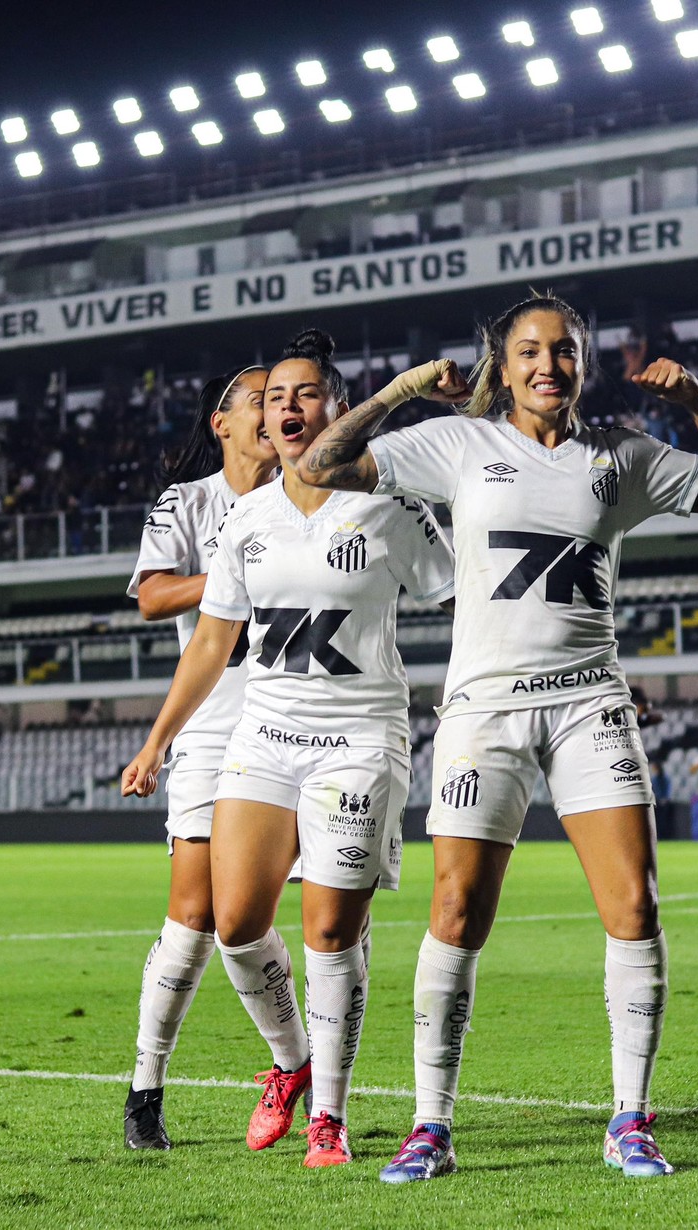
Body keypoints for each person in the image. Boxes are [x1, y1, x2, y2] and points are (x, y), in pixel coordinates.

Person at [294, 292, 698, 1181]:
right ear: (500, 366)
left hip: (593, 701)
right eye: (528, 351)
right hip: (484, 712)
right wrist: (397, 390)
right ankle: (431, 1124)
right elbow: (321, 464)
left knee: (635, 908)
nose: (547, 364)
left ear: (582, 364)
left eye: (563, 350)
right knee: (457, 913)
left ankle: (630, 1117)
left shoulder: (619, 458)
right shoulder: (460, 445)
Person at [122, 329, 459, 1167]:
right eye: (276, 398)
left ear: (338, 409)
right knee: (234, 923)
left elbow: (464, 590)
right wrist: (159, 740)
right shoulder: (242, 521)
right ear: (259, 423)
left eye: (307, 394)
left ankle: (330, 1121)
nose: (289, 407)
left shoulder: (387, 504)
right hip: (262, 735)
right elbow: (210, 641)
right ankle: (294, 1064)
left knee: (328, 934)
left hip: (357, 736)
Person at [122, 364, 277, 1150]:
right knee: (194, 916)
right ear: (221, 421)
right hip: (215, 726)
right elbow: (150, 595)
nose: (273, 409)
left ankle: (313, 1082)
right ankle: (146, 1088)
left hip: (304, 721)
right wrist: (230, 574)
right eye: (258, 398)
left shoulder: (311, 495)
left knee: (329, 914)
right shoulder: (187, 503)